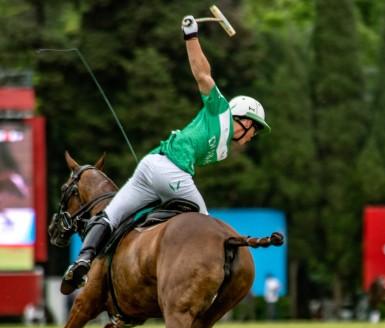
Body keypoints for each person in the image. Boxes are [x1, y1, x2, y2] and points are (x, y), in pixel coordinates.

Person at [60, 15, 271, 295]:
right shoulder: (221, 110)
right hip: (171, 171)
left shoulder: (222, 149)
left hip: (151, 167)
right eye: (253, 130)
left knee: (111, 216)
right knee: (206, 224)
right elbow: (202, 74)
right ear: (243, 119)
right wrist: (191, 36)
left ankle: (82, 262)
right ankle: (210, 282)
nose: (251, 137)